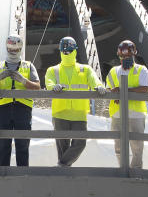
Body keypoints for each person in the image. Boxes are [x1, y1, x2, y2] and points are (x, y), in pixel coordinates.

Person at [44, 37, 106, 167]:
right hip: (60, 112)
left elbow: (94, 80)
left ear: (74, 51)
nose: (67, 53)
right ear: (61, 51)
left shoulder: (85, 69)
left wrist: (99, 86)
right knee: (62, 146)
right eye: (65, 51)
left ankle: (61, 165)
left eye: (69, 51)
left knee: (80, 143)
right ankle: (64, 172)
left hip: (79, 113)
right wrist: (52, 87)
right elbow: (49, 82)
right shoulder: (53, 70)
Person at [0, 34, 40, 167]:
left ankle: (23, 173)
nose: (13, 51)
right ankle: (3, 174)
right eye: (11, 49)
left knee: (22, 144)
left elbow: (37, 86)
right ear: (6, 48)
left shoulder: (28, 66)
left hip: (23, 109)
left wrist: (24, 81)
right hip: (3, 109)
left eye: (16, 49)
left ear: (20, 49)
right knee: (3, 145)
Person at [106, 41, 148, 169]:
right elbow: (108, 88)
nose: (125, 59)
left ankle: (136, 171)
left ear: (134, 55)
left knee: (137, 146)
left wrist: (124, 91)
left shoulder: (141, 70)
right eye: (122, 57)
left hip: (136, 113)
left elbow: (145, 88)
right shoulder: (114, 71)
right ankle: (123, 169)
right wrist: (114, 92)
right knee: (119, 145)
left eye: (127, 56)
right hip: (118, 113)